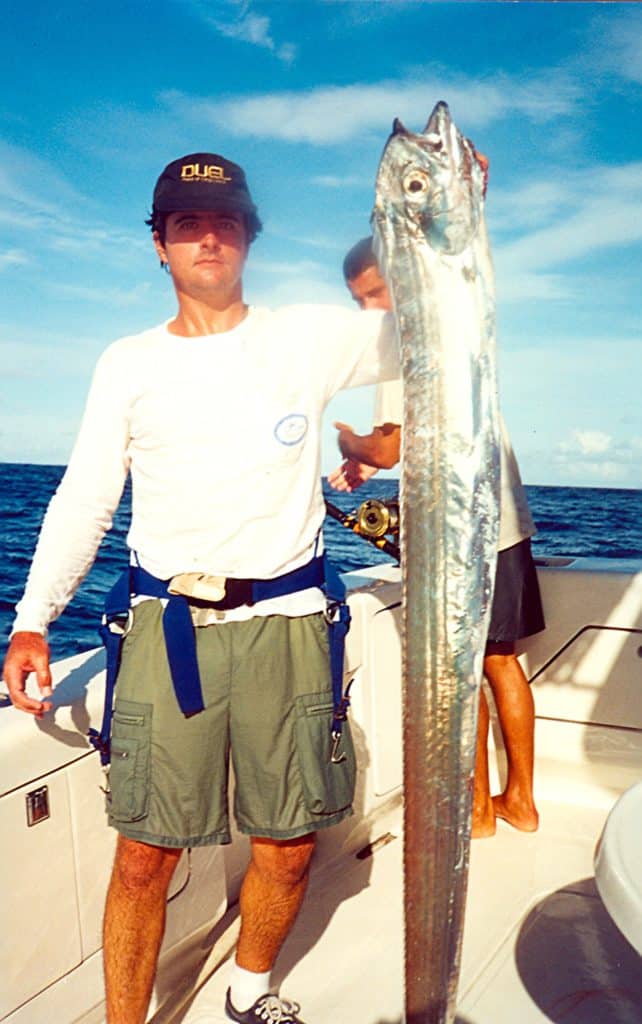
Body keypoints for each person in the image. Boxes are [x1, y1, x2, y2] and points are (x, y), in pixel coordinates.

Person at [2, 156, 399, 1024]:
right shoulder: (128, 361)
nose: (206, 235)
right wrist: (32, 619)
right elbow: (85, 495)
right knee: (144, 856)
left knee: (290, 845)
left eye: (223, 220)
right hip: (165, 625)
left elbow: (432, 331)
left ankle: (247, 989)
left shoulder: (304, 337)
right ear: (159, 245)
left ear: (250, 235)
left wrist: (456, 214)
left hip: (290, 624)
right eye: (185, 222)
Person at [329, 236, 545, 840]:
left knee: (463, 668)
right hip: (502, 522)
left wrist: (351, 445)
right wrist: (370, 465)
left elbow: (392, 443)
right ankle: (520, 801)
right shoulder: (459, 328)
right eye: (359, 299)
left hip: (460, 539)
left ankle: (476, 812)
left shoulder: (408, 340)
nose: (371, 308)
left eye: (376, 291)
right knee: (502, 662)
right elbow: (420, 437)